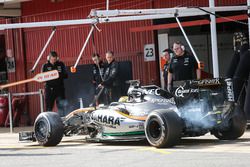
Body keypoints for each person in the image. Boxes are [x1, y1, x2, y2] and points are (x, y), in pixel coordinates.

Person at [42, 51, 68, 116]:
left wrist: (58, 74)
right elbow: (42, 78)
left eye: (55, 59)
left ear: (57, 58)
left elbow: (66, 75)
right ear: (49, 58)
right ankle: (49, 121)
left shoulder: (61, 64)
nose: (54, 61)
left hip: (60, 89)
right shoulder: (45, 66)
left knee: (61, 106)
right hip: (49, 89)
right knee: (49, 107)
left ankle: (62, 120)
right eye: (52, 59)